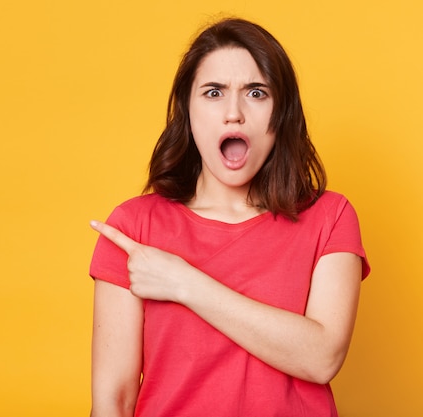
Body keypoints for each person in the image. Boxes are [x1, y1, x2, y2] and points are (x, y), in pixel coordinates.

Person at [88, 17, 370, 417]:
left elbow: (322, 357)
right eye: (214, 92)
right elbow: (112, 400)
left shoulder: (331, 217)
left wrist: (183, 282)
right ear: (187, 109)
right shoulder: (135, 228)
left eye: (256, 93)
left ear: (281, 114)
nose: (234, 113)